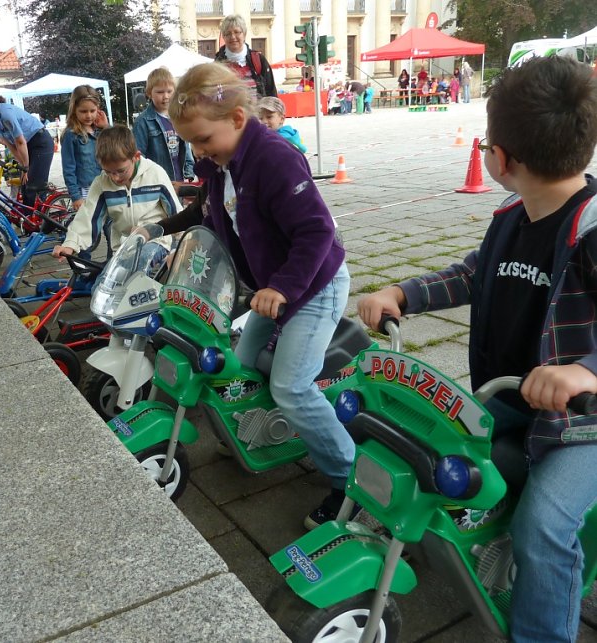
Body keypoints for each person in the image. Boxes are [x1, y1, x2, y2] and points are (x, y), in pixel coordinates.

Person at [356, 56, 597, 642]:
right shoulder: (514, 216)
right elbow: (475, 274)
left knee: (545, 525)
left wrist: (585, 373)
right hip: (512, 403)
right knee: (430, 451)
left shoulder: (591, 232)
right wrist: (402, 293)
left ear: (502, 159)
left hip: (580, 427)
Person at [169, 62, 354, 529]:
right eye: (191, 142)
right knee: (244, 365)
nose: (199, 151)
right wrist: (174, 245)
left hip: (313, 285)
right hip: (273, 289)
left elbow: (316, 232)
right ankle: (268, 435)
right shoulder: (222, 163)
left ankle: (350, 481)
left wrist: (281, 288)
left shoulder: (273, 157)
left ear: (236, 119)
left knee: (291, 385)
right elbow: (213, 219)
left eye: (203, 140)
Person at [52, 125, 180, 261]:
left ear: (136, 157)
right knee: (105, 279)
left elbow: (176, 212)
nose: (115, 178)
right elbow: (88, 216)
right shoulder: (102, 182)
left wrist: (187, 241)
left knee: (138, 260)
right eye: (108, 171)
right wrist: (70, 245)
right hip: (122, 247)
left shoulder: (155, 174)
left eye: (121, 171)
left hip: (155, 242)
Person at [0, 84, 54, 210]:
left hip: (40, 142)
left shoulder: (5, 114)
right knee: (24, 186)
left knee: (33, 185)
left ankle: (41, 222)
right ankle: (29, 221)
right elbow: (11, 144)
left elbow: (20, 142)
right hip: (27, 144)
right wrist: (23, 166)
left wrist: (25, 168)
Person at [133, 67, 195, 186]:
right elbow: (138, 156)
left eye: (169, 91)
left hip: (179, 179)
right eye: (160, 92)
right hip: (156, 182)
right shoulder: (143, 121)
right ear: (149, 93)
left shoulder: (179, 116)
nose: (165, 96)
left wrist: (189, 173)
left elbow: (186, 148)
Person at [61, 85, 104, 210]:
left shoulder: (100, 130)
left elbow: (117, 146)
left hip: (105, 185)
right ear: (74, 109)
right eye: (83, 111)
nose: (89, 116)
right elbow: (68, 168)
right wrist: (75, 196)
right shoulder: (71, 135)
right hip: (86, 189)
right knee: (91, 225)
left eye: (92, 111)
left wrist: (106, 127)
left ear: (98, 109)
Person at [214, 14, 277, 98]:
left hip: (257, 111)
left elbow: (271, 94)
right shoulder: (217, 64)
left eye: (237, 32)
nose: (233, 37)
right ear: (224, 37)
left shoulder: (258, 60)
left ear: (244, 34)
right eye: (228, 33)